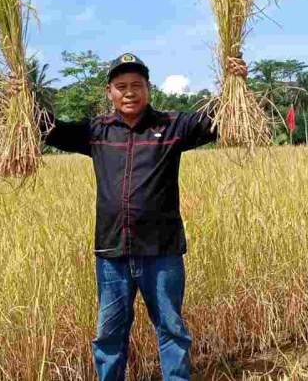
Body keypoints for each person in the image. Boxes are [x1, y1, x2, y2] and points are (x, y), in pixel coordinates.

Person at [42, 52, 247, 380]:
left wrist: (234, 82)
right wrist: (21, 96)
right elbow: (51, 130)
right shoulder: (97, 131)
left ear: (148, 89)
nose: (129, 92)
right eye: (121, 86)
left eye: (136, 85)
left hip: (161, 252)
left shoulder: (171, 126)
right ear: (109, 91)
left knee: (171, 329)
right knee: (109, 336)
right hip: (112, 254)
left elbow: (216, 120)